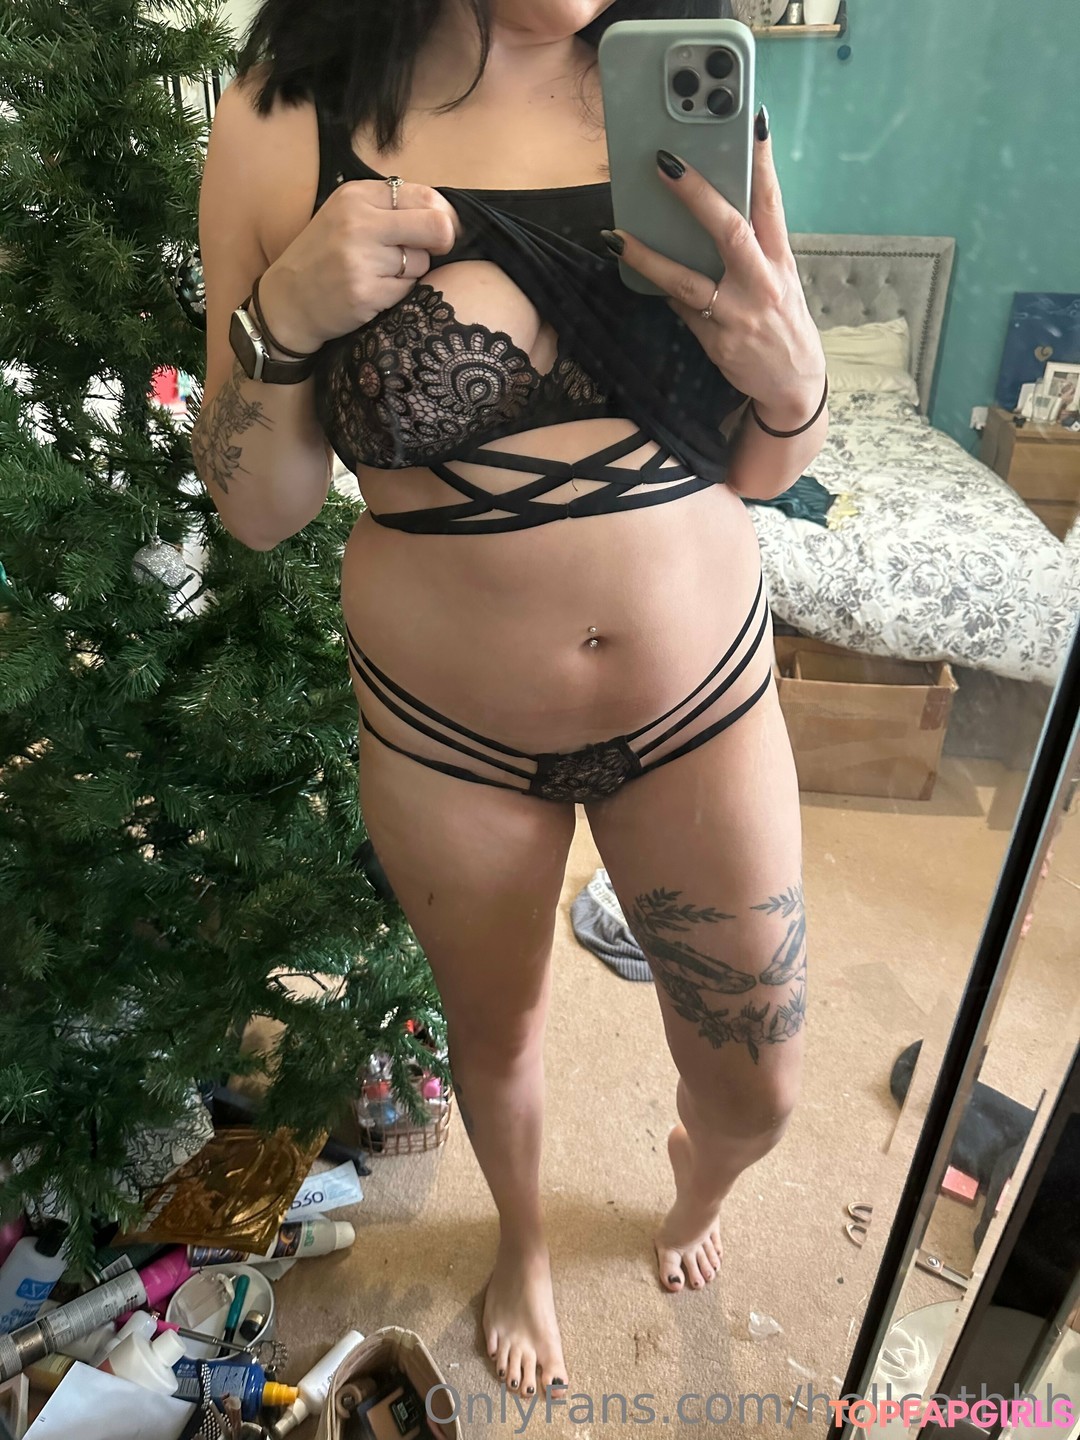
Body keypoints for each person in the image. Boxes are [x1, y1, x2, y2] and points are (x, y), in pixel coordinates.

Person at [193, 0, 828, 1401]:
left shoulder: (688, 89)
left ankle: (702, 1178)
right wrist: (283, 321)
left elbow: (767, 462)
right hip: (447, 734)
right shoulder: (288, 116)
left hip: (701, 699)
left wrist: (798, 385)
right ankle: (524, 1242)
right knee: (500, 1037)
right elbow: (255, 509)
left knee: (761, 1088)